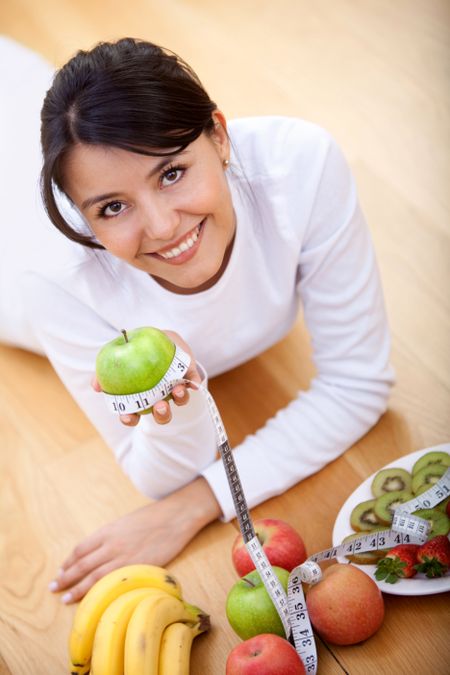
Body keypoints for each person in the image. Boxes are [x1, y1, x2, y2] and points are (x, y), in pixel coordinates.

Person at [0, 36, 394, 604]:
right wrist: (176, 406)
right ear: (77, 213)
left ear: (220, 134)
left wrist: (195, 506)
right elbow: (156, 475)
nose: (161, 226)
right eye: (112, 207)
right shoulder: (55, 280)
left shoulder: (299, 168)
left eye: (172, 173)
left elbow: (359, 384)